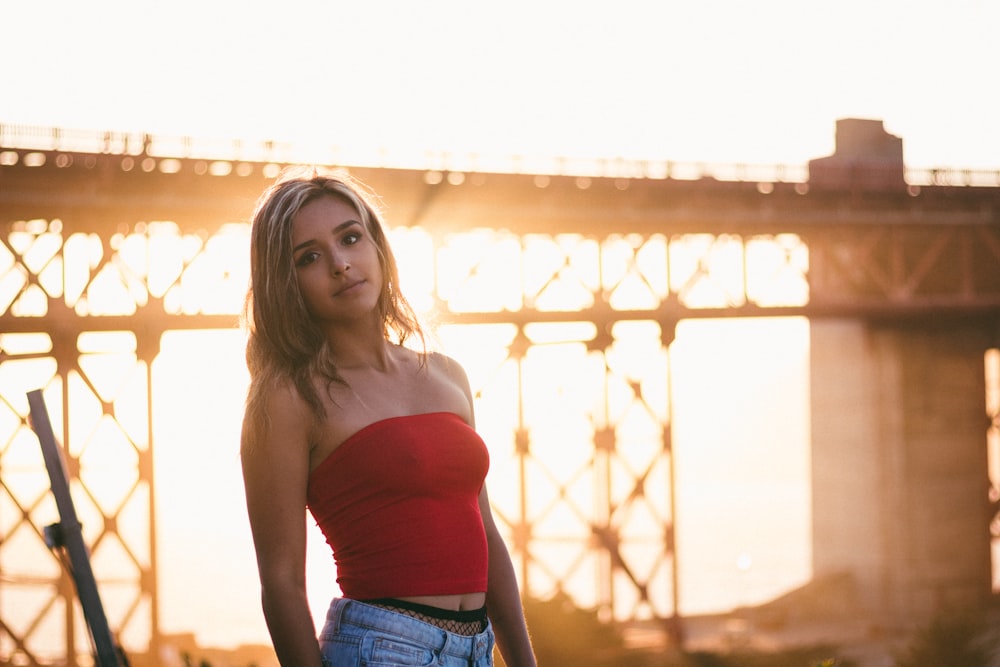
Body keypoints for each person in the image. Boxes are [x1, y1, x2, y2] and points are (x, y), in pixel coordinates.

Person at [240, 168, 536, 667]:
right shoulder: (287, 398)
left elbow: (484, 533)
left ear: (377, 246)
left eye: (350, 238)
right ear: (286, 283)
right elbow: (282, 584)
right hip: (382, 649)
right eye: (309, 257)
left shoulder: (447, 375)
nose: (340, 264)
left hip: (475, 649)